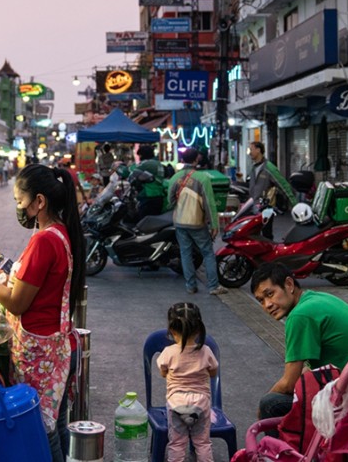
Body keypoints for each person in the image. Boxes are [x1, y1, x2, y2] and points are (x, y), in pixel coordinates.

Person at [0, 164, 86, 462]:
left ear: (39, 201)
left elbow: (18, 303)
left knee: (43, 430)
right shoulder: (59, 232)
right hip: (56, 346)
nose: (19, 208)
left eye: (20, 201)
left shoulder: (45, 240)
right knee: (55, 425)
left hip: (41, 351)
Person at [251, 262, 348, 419]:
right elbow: (306, 370)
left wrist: (261, 407)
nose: (267, 305)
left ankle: (285, 445)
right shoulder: (315, 298)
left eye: (270, 294)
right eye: (261, 301)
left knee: (270, 404)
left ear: (289, 284)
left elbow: (289, 383)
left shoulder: (300, 315)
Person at [158, 303, 219, 462]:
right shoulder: (205, 351)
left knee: (177, 443)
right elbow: (213, 372)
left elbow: (163, 372)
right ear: (199, 329)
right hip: (200, 402)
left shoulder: (168, 352)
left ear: (171, 330)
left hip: (176, 402)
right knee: (203, 443)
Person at [167, 148, 227, 296]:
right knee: (207, 253)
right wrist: (214, 224)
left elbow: (170, 200)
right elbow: (210, 203)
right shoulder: (203, 178)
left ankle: (190, 286)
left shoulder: (175, 178)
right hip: (197, 222)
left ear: (182, 160)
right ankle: (213, 286)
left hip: (180, 222)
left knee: (185, 253)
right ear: (196, 160)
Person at [247, 141, 297, 211]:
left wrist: (296, 206)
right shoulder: (253, 168)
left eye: (251, 150)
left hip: (264, 209)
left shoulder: (269, 168)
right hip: (253, 208)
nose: (249, 153)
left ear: (258, 150)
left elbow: (284, 186)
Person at [134, 144, 166, 218]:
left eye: (140, 155)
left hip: (149, 195)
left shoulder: (147, 163)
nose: (139, 158)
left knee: (145, 220)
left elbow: (132, 173)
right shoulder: (157, 162)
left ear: (142, 155)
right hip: (158, 194)